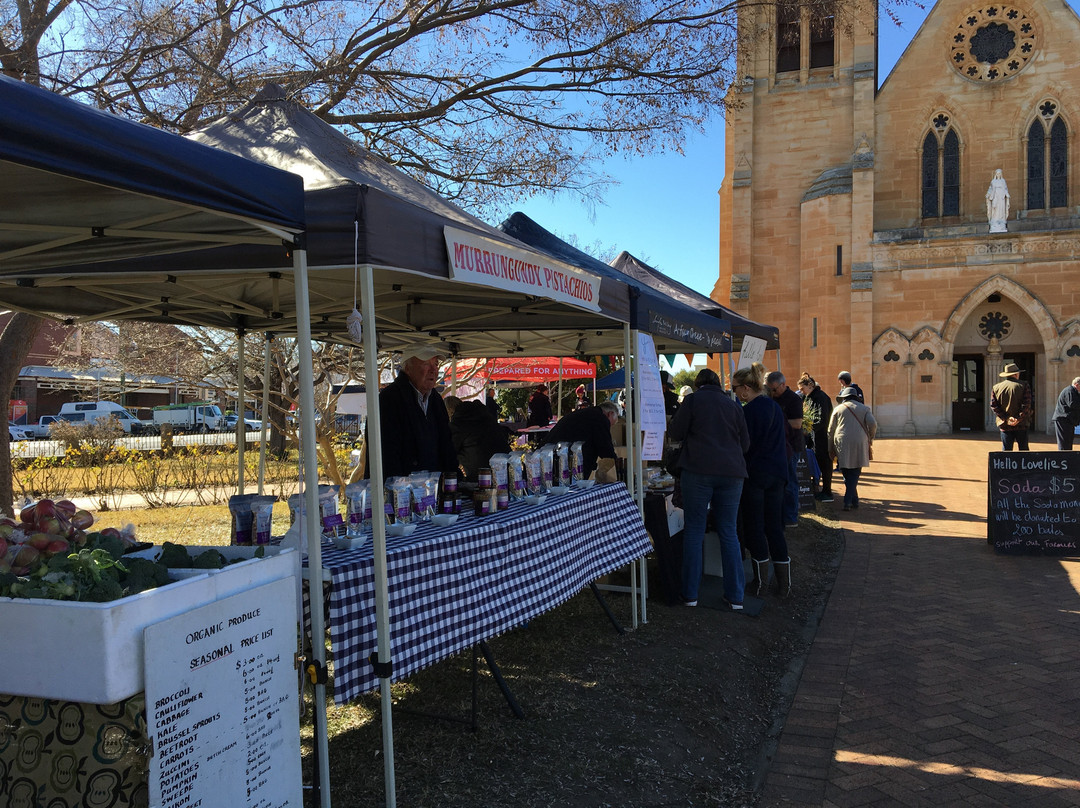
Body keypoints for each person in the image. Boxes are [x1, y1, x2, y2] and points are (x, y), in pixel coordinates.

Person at [668, 368, 749, 610]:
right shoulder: (733, 405)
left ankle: (690, 594)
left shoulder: (692, 400)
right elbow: (745, 444)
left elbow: (675, 432)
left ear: (698, 384)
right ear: (717, 384)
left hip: (698, 470)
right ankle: (736, 597)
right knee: (728, 531)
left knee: (694, 530)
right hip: (732, 473)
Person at [734, 363, 792, 597]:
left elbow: (745, 446)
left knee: (755, 527)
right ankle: (784, 585)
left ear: (746, 388)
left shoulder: (748, 412)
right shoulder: (774, 407)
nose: (736, 393)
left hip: (756, 474)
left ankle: (760, 584)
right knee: (774, 527)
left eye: (737, 388)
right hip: (777, 473)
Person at [375, 345, 458, 480]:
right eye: (426, 364)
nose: (433, 370)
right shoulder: (390, 399)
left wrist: (454, 482)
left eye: (435, 364)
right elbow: (387, 454)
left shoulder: (435, 400)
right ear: (408, 368)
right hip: (401, 490)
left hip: (432, 490)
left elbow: (447, 446)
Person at [827, 387, 877, 511]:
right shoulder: (864, 409)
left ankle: (849, 500)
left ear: (844, 398)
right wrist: (870, 437)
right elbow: (873, 424)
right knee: (855, 471)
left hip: (841, 441)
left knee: (845, 470)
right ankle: (851, 500)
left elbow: (830, 430)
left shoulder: (838, 409)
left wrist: (830, 447)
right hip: (859, 441)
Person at [765, 370, 804, 527]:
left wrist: (776, 422)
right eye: (769, 390)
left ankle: (790, 517)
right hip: (777, 446)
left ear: (782, 385)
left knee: (790, 481)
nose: (772, 393)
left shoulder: (793, 399)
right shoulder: (770, 398)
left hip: (792, 446)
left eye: (773, 389)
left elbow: (797, 424)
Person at [542, 401, 619, 478]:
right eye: (611, 424)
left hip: (549, 453)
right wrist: (615, 462)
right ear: (610, 414)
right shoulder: (600, 418)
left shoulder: (586, 413)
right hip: (562, 461)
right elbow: (605, 448)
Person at [450, 400, 511, 481]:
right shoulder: (489, 421)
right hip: (506, 474)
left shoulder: (459, 425)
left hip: (480, 479)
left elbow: (449, 454)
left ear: (451, 412)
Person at [798, 373, 834, 502]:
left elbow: (822, 419)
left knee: (825, 464)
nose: (801, 391)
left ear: (810, 386)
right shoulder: (809, 397)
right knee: (817, 463)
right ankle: (819, 489)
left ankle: (827, 491)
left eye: (802, 388)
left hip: (822, 437)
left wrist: (808, 430)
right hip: (814, 437)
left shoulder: (821, 397)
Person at [990, 362, 1032, 451]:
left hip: (1004, 424)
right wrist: (1018, 418)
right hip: (1022, 424)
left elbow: (994, 405)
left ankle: (1006, 465)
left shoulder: (996, 387)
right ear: (1016, 374)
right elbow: (1026, 404)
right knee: (1024, 450)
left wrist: (1006, 418)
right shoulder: (1024, 385)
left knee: (1006, 450)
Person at [1051, 377, 1080, 450]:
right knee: (1063, 442)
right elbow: (1072, 404)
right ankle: (1063, 459)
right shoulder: (1070, 391)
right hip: (1063, 420)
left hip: (1068, 421)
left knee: (1068, 441)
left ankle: (1067, 458)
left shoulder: (1074, 392)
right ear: (1077, 385)